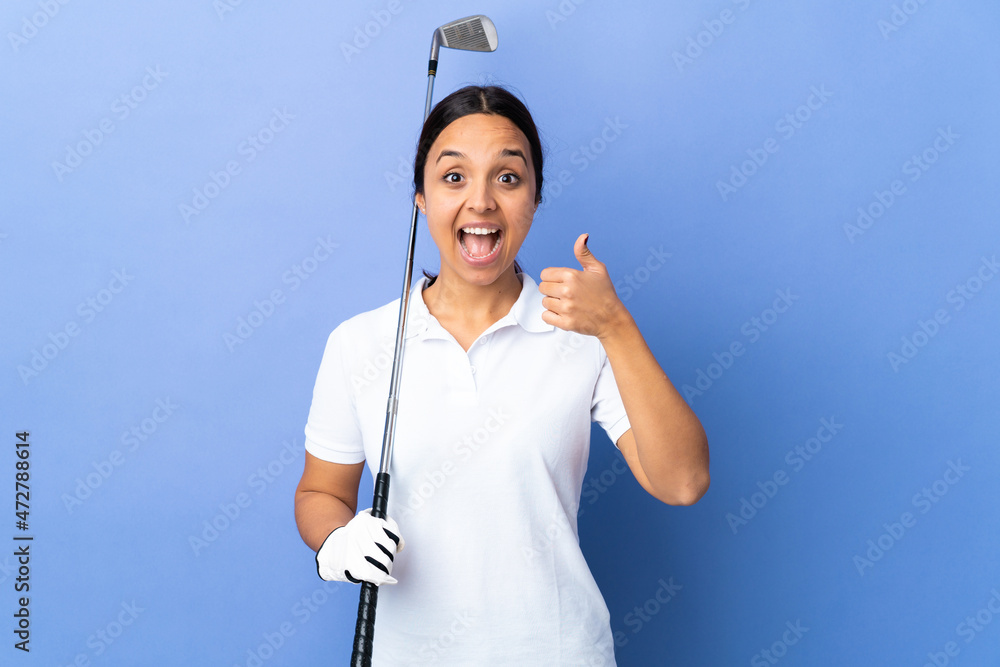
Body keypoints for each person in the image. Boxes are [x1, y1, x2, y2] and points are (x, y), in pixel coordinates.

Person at [294, 85, 710, 665]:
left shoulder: (582, 331)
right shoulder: (359, 343)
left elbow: (683, 481)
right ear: (420, 197)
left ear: (535, 198)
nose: (482, 202)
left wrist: (615, 326)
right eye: (454, 177)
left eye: (508, 178)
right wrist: (335, 540)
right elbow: (320, 493)